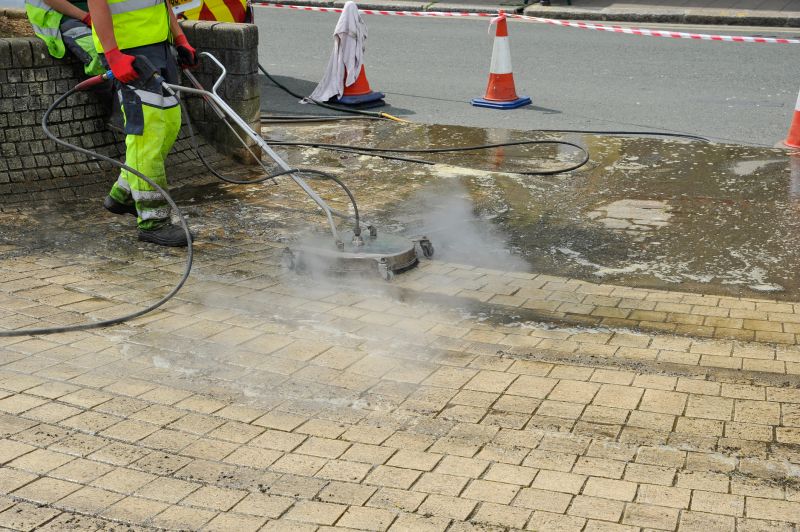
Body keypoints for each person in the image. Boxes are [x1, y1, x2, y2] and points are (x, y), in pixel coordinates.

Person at [89, 0, 197, 247]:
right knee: (147, 133)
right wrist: (113, 55)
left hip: (159, 46)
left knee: (170, 124)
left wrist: (179, 38)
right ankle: (153, 221)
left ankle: (124, 194)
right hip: (128, 52)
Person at [25, 0, 105, 76]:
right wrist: (87, 18)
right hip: (58, 15)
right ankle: (108, 88)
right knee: (98, 54)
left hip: (95, 12)